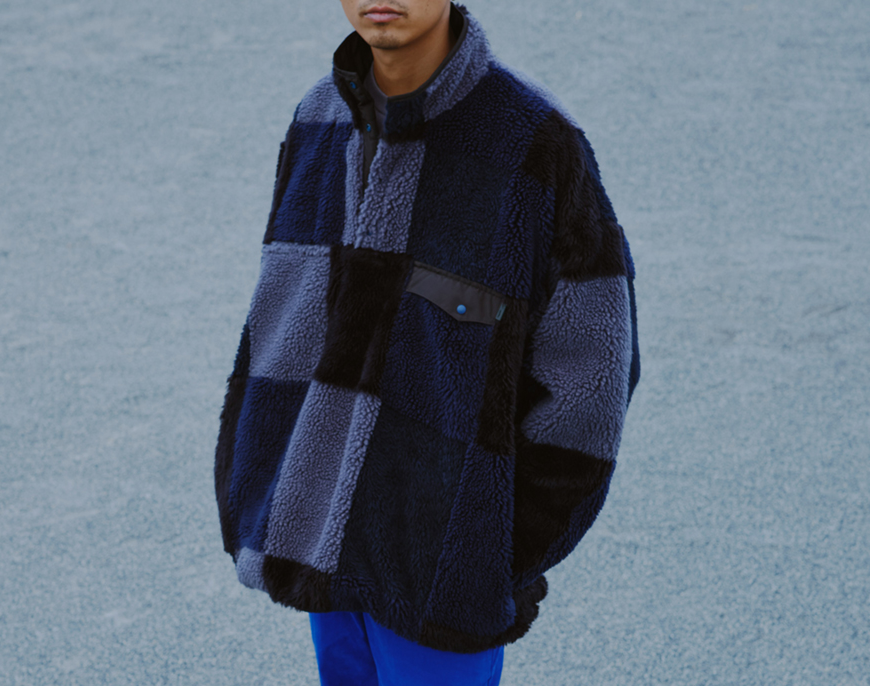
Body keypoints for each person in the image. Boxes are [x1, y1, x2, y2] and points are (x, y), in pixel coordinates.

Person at [213, 2, 640, 684]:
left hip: (446, 572)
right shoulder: (319, 116)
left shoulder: (535, 141)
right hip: (322, 545)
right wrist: (264, 485)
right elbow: (281, 324)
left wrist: (489, 549)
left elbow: (591, 377)